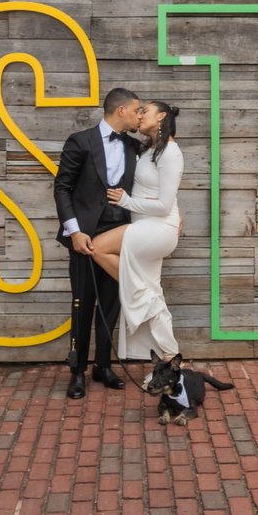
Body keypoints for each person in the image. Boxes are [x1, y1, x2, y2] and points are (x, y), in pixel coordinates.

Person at [54, 88, 143, 399]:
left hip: (120, 233)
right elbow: (62, 187)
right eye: (136, 111)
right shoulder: (81, 141)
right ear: (120, 111)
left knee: (111, 301)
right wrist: (74, 231)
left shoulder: (135, 146)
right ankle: (77, 370)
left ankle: (103, 366)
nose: (139, 116)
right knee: (82, 303)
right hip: (86, 236)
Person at [90, 102, 183, 365]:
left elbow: (165, 204)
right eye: (138, 112)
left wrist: (126, 202)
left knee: (98, 247)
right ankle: (169, 357)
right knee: (151, 289)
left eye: (146, 111)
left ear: (161, 116)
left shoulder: (171, 153)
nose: (140, 116)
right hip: (147, 225)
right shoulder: (149, 149)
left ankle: (139, 298)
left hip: (158, 227)